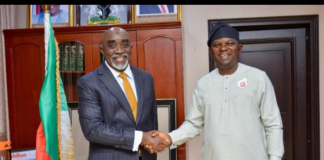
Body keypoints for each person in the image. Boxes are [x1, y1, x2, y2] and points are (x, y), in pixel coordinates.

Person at [146, 21, 285, 160]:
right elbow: (193, 124)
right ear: (210, 51)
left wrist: (275, 157)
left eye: (230, 43)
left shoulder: (258, 78)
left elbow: (273, 124)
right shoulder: (203, 84)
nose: (223, 48)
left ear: (239, 48)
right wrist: (170, 138)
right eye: (217, 45)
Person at [76, 27, 169, 160]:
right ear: (102, 51)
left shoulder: (146, 78)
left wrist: (152, 143)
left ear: (131, 48)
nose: (119, 51)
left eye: (124, 45)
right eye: (112, 46)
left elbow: (152, 121)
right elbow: (93, 130)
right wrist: (141, 138)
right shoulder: (88, 82)